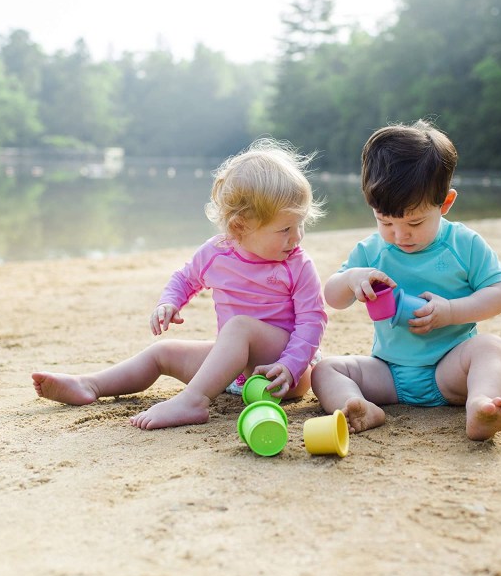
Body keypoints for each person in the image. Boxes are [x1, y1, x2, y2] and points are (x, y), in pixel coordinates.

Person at [32, 138, 327, 430]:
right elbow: (185, 278)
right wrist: (169, 302)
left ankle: (194, 400)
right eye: (285, 229)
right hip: (236, 371)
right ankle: (91, 384)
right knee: (163, 353)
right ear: (240, 228)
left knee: (239, 327)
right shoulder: (216, 253)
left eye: (300, 224)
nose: (297, 236)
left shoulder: (297, 266)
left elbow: (312, 321)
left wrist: (290, 366)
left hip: (284, 372)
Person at [311, 120, 501, 441]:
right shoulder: (371, 250)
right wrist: (353, 278)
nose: (400, 234)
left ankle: (479, 405)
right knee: (325, 370)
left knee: (491, 347)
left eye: (415, 222)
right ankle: (361, 406)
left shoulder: (464, 244)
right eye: (386, 222)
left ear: (445, 204)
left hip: (449, 369)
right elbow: (333, 297)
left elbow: (499, 294)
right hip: (388, 372)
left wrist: (449, 311)